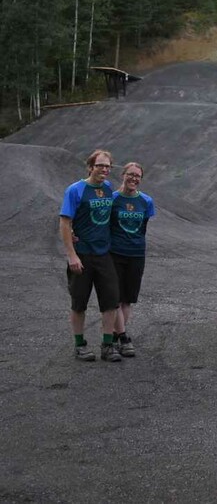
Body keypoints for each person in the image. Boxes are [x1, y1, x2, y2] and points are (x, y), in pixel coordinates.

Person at [60, 149, 123, 362]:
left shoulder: (107, 188)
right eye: (100, 165)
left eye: (107, 166)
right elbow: (65, 223)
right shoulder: (75, 190)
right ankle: (80, 345)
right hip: (82, 255)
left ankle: (107, 344)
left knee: (111, 301)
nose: (104, 170)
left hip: (104, 254)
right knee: (79, 303)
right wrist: (71, 255)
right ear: (90, 167)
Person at [109, 162, 155, 358]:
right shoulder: (112, 200)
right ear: (123, 175)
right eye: (131, 174)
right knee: (115, 299)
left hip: (136, 253)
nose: (134, 179)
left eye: (138, 176)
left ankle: (114, 336)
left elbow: (143, 226)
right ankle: (124, 338)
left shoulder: (146, 201)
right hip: (115, 253)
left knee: (128, 299)